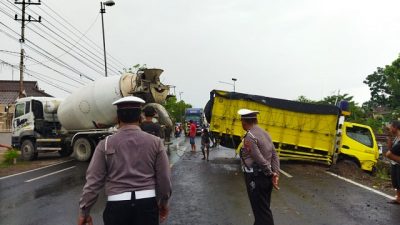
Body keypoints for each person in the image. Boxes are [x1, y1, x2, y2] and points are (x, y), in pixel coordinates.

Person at [78, 96, 172, 225]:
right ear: (140, 118)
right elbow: (164, 179)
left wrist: (85, 211)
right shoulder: (155, 142)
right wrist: (164, 203)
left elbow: (93, 182)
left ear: (117, 119)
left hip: (116, 207)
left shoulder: (104, 144)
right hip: (147, 205)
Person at [238, 108, 280, 225]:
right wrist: (275, 173)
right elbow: (274, 155)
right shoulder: (266, 133)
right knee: (262, 209)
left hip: (256, 179)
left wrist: (271, 173)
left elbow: (259, 158)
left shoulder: (249, 136)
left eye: (241, 120)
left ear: (244, 121)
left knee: (262, 213)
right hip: (265, 179)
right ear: (255, 120)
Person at [385, 120, 400, 204]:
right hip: (394, 163)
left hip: (398, 163)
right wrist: (389, 138)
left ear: (395, 127)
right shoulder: (396, 138)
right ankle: (398, 199)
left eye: (391, 127)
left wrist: (389, 155)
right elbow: (390, 148)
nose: (390, 129)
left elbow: (390, 153)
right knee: (396, 183)